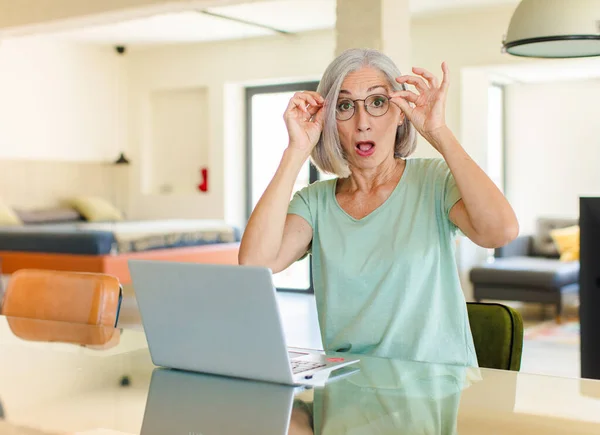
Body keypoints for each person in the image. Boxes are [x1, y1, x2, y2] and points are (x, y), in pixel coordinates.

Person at [239, 48, 519, 367]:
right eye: (345, 106)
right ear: (330, 121)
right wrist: (296, 151)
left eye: (377, 103)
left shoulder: (433, 180)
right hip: (350, 387)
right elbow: (255, 263)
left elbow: (500, 231)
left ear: (400, 112)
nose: (363, 123)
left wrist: (438, 132)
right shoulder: (314, 203)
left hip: (434, 389)